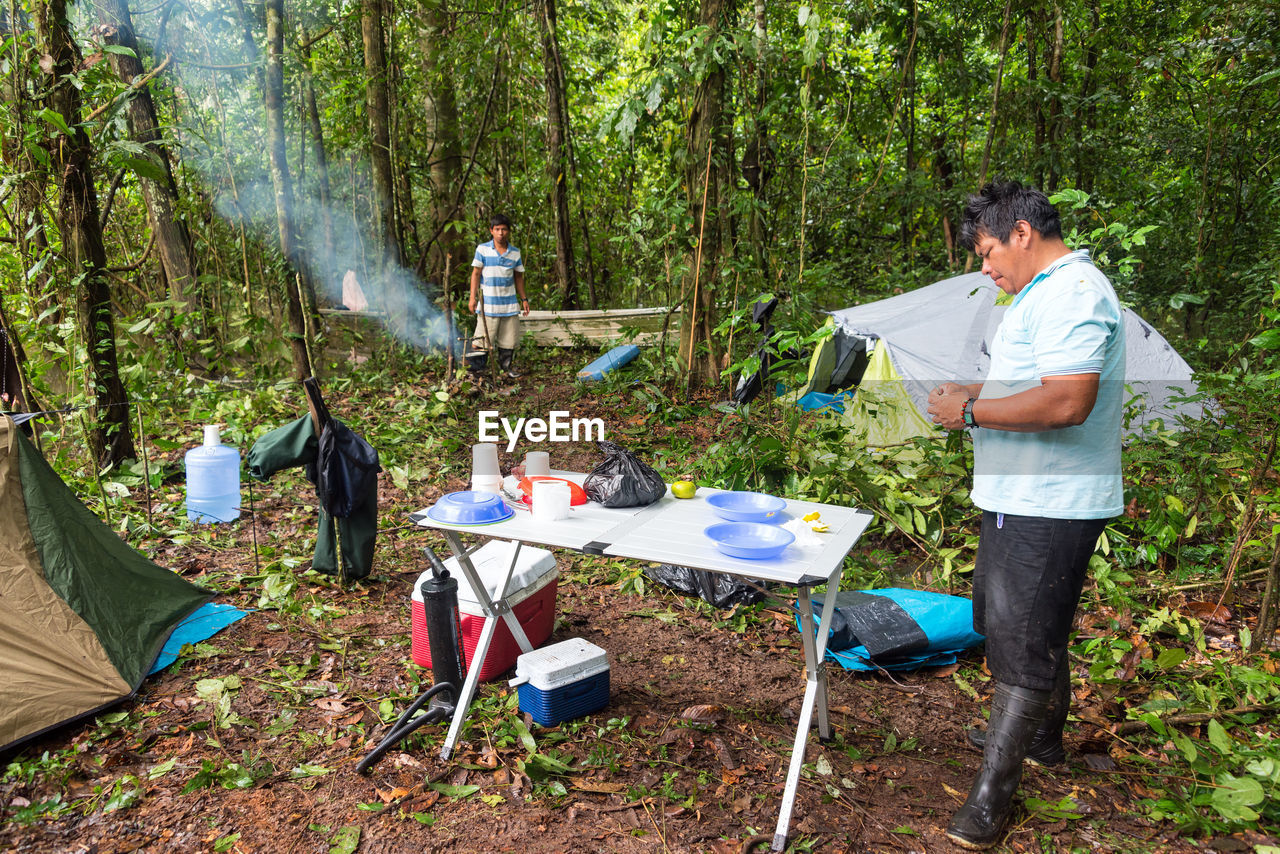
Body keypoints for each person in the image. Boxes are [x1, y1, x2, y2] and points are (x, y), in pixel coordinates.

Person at [925, 181, 1125, 849]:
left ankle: (990, 802)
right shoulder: (1044, 294)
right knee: (1011, 621)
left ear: (1021, 234)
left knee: (1020, 645)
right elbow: (1037, 383)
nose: (985, 268)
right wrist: (976, 392)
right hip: (1020, 497)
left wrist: (972, 411)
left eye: (986, 252)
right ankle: (1041, 739)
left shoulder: (1074, 292)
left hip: (1050, 501)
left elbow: (1068, 402)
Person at [467, 214, 530, 380]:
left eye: (503, 229)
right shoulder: (483, 250)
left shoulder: (515, 253)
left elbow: (518, 277)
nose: (500, 233)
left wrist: (524, 299)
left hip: (509, 304)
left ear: (508, 231)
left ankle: (506, 369)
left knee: (508, 340)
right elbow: (475, 274)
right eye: (497, 229)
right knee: (481, 340)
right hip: (488, 305)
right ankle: (477, 373)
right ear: (491, 231)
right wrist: (472, 298)